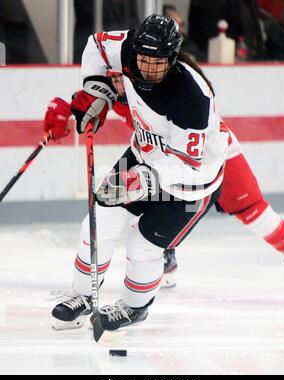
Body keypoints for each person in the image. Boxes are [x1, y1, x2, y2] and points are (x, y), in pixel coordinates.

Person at [46, 68, 284, 291]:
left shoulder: (162, 86)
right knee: (138, 201)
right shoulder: (122, 88)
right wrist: (65, 111)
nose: (119, 86)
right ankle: (162, 257)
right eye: (114, 79)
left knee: (250, 207)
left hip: (208, 156)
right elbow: (88, 101)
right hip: (160, 160)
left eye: (120, 78)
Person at [50, 15, 229, 331]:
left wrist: (145, 180)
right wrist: (97, 89)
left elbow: (188, 164)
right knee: (98, 220)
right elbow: (95, 46)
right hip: (143, 155)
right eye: (142, 59)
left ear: (172, 59)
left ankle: (135, 308)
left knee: (143, 243)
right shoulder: (126, 47)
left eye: (157, 62)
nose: (147, 68)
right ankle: (82, 294)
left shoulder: (191, 96)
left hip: (191, 180)